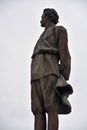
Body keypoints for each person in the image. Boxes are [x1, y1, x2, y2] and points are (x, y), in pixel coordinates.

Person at [31, 8, 73, 130]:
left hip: (49, 69)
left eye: (42, 16)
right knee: (37, 109)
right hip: (35, 71)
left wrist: (64, 71)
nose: (41, 19)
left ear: (48, 17)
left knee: (50, 106)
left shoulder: (59, 30)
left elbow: (64, 52)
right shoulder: (41, 35)